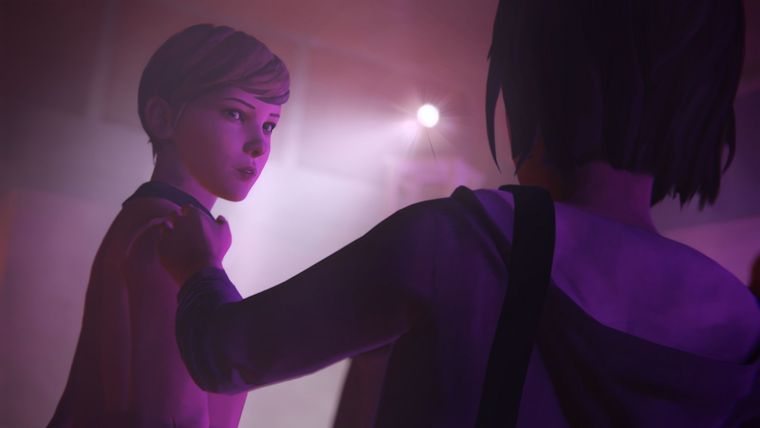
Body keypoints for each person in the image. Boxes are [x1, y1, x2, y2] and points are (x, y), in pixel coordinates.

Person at [158, 1, 760, 426]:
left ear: (533, 72)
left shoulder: (463, 241)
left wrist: (198, 268)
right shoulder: (740, 319)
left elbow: (226, 351)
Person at [47, 24, 289, 427]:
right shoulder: (165, 238)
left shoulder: (159, 227)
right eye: (234, 113)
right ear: (162, 118)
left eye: (269, 125)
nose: (259, 145)